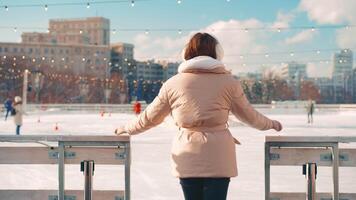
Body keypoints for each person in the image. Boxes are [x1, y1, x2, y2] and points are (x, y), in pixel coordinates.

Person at [115, 33, 282, 200]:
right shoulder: (229, 83)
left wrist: (125, 128)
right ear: (217, 53)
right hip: (219, 157)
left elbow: (149, 118)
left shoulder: (173, 83)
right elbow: (250, 116)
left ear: (186, 53)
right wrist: (271, 124)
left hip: (188, 155)